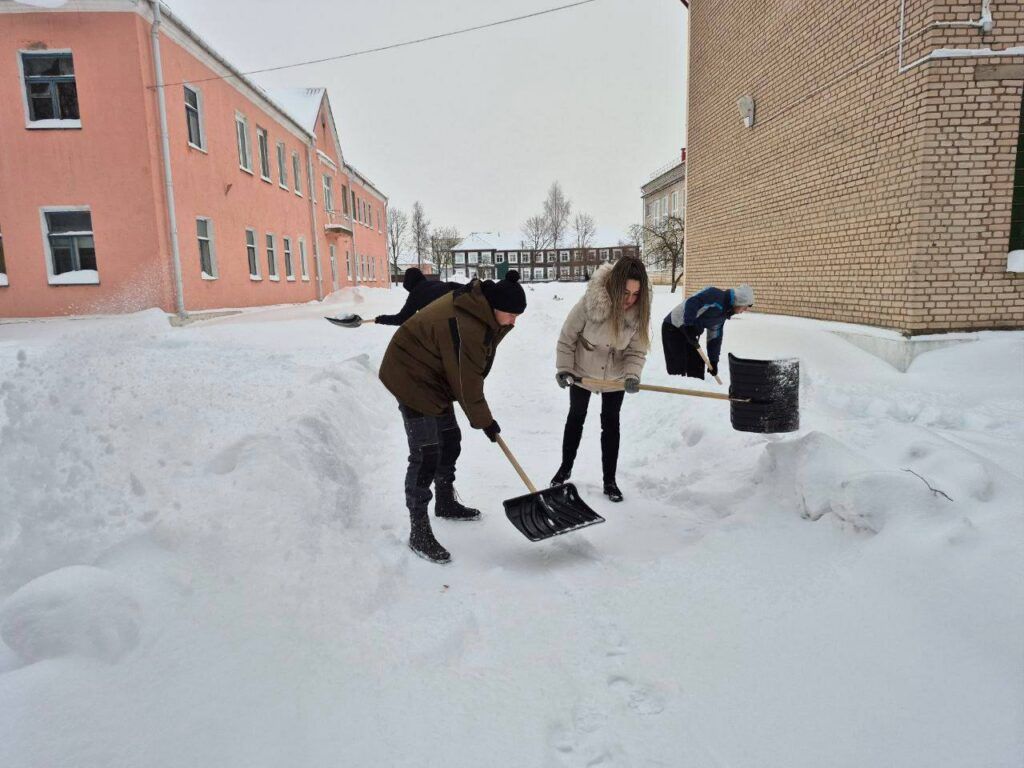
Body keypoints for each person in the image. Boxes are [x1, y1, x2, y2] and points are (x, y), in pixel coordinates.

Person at [378, 270, 527, 564]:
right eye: (511, 314)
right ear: (495, 307)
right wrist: (485, 421)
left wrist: (481, 417)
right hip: (409, 374)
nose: (514, 321)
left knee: (450, 439)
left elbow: (464, 373)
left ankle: (444, 502)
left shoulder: (481, 310)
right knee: (426, 454)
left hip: (435, 373)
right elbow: (467, 381)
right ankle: (418, 530)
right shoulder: (468, 324)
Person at [552, 257, 651, 502]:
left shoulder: (639, 313)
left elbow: (636, 351)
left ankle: (610, 480)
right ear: (614, 286)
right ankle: (564, 469)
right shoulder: (590, 303)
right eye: (625, 292)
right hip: (582, 373)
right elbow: (567, 338)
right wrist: (564, 369)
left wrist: (631, 375)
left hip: (614, 377)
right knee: (576, 417)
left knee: (611, 423)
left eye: (636, 294)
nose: (630, 299)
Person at [662, 284, 754, 379]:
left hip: (690, 334)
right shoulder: (715, 295)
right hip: (674, 327)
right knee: (679, 369)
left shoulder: (723, 314)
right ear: (739, 301)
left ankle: (693, 391)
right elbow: (692, 302)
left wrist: (713, 361)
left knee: (696, 369)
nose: (745, 310)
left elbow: (714, 338)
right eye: (745, 306)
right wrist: (689, 325)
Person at [373, 267, 461, 326]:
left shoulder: (416, 294)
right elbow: (457, 286)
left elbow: (402, 319)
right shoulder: (438, 283)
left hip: (446, 325)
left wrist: (381, 319)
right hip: (461, 317)